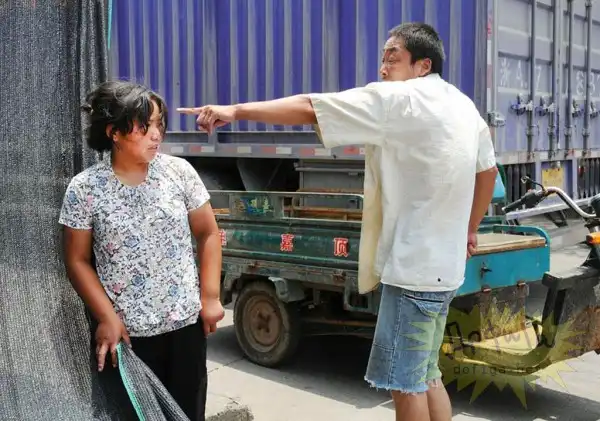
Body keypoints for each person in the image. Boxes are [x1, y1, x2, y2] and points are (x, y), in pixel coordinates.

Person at [178, 22, 498, 421]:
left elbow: (312, 107)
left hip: (413, 273)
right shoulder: (463, 105)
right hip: (445, 272)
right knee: (427, 374)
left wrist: (236, 111)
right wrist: (470, 229)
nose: (383, 67)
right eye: (383, 58)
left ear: (423, 65)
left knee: (406, 384)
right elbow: (488, 172)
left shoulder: (402, 99)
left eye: (393, 57)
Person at [59, 80, 224, 421]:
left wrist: (210, 297)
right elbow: (77, 260)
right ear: (114, 132)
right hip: (128, 338)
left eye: (159, 124)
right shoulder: (85, 188)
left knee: (187, 414)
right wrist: (107, 317)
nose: (156, 135)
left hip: (185, 327)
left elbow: (208, 233)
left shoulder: (179, 173)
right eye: (144, 126)